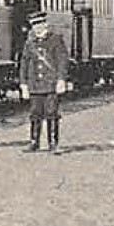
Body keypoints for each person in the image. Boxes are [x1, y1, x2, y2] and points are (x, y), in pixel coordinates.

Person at [18, 9, 70, 154]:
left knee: (52, 113)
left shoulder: (55, 39)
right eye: (35, 25)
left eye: (40, 24)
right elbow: (24, 64)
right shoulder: (30, 43)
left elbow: (62, 61)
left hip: (51, 84)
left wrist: (61, 80)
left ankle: (53, 143)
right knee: (35, 113)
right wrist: (23, 84)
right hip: (35, 84)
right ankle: (34, 142)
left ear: (45, 24)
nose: (38, 27)